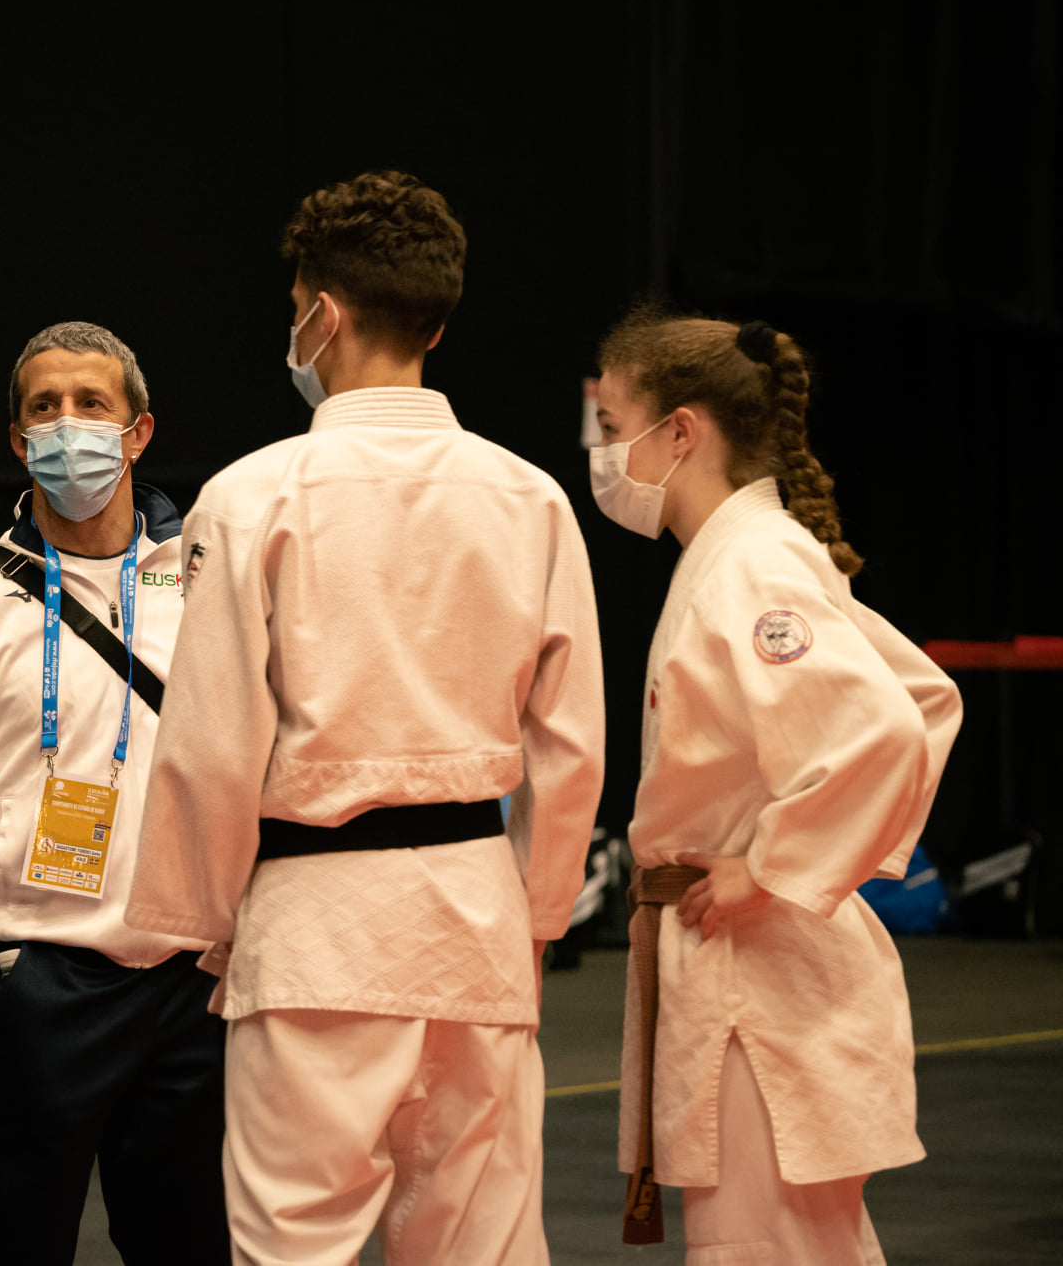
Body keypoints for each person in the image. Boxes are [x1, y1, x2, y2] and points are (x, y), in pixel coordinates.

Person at [124, 171, 606, 1264]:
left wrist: (197, 921)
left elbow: (209, 747)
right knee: (480, 1244)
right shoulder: (528, 497)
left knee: (296, 1241)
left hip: (314, 921)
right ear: (434, 319)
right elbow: (568, 749)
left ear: (320, 315)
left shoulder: (251, 496)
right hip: (475, 913)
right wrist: (530, 918)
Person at [588, 307, 962, 1263]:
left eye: (612, 422)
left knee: (769, 1246)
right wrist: (804, 855)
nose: (601, 450)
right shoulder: (745, 556)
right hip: (749, 969)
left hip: (759, 974)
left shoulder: (749, 564)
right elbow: (922, 698)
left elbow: (882, 727)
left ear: (682, 431)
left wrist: (775, 862)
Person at [0, 322, 229, 1265]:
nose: (68, 426)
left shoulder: (207, 579)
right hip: (38, 976)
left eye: (92, 405)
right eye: (45, 408)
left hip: (190, 978)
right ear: (16, 438)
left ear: (139, 432)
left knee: (192, 1243)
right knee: (13, 1242)